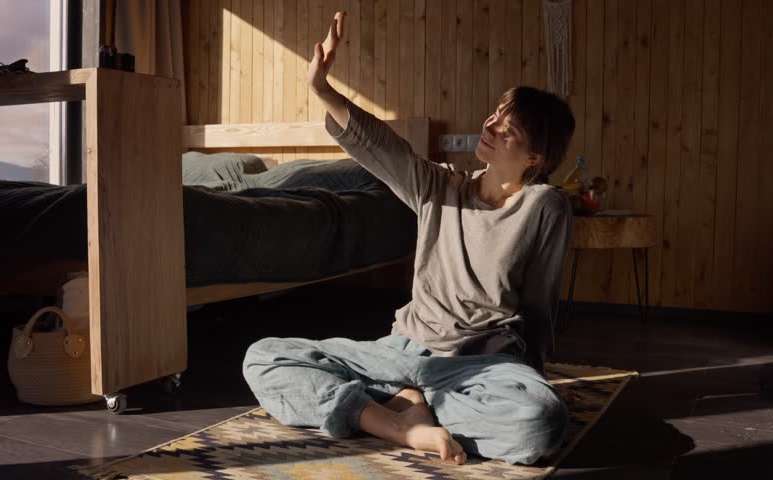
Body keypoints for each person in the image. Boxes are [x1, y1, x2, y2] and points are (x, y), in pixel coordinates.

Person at [242, 11, 575, 466]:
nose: (490, 125)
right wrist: (322, 89)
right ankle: (395, 421)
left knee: (540, 422)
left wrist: (531, 379)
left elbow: (539, 303)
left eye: (507, 128)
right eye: (495, 114)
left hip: (483, 361)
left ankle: (402, 402)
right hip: (403, 351)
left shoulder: (545, 206)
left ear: (534, 156)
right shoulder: (441, 186)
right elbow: (383, 147)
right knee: (263, 357)